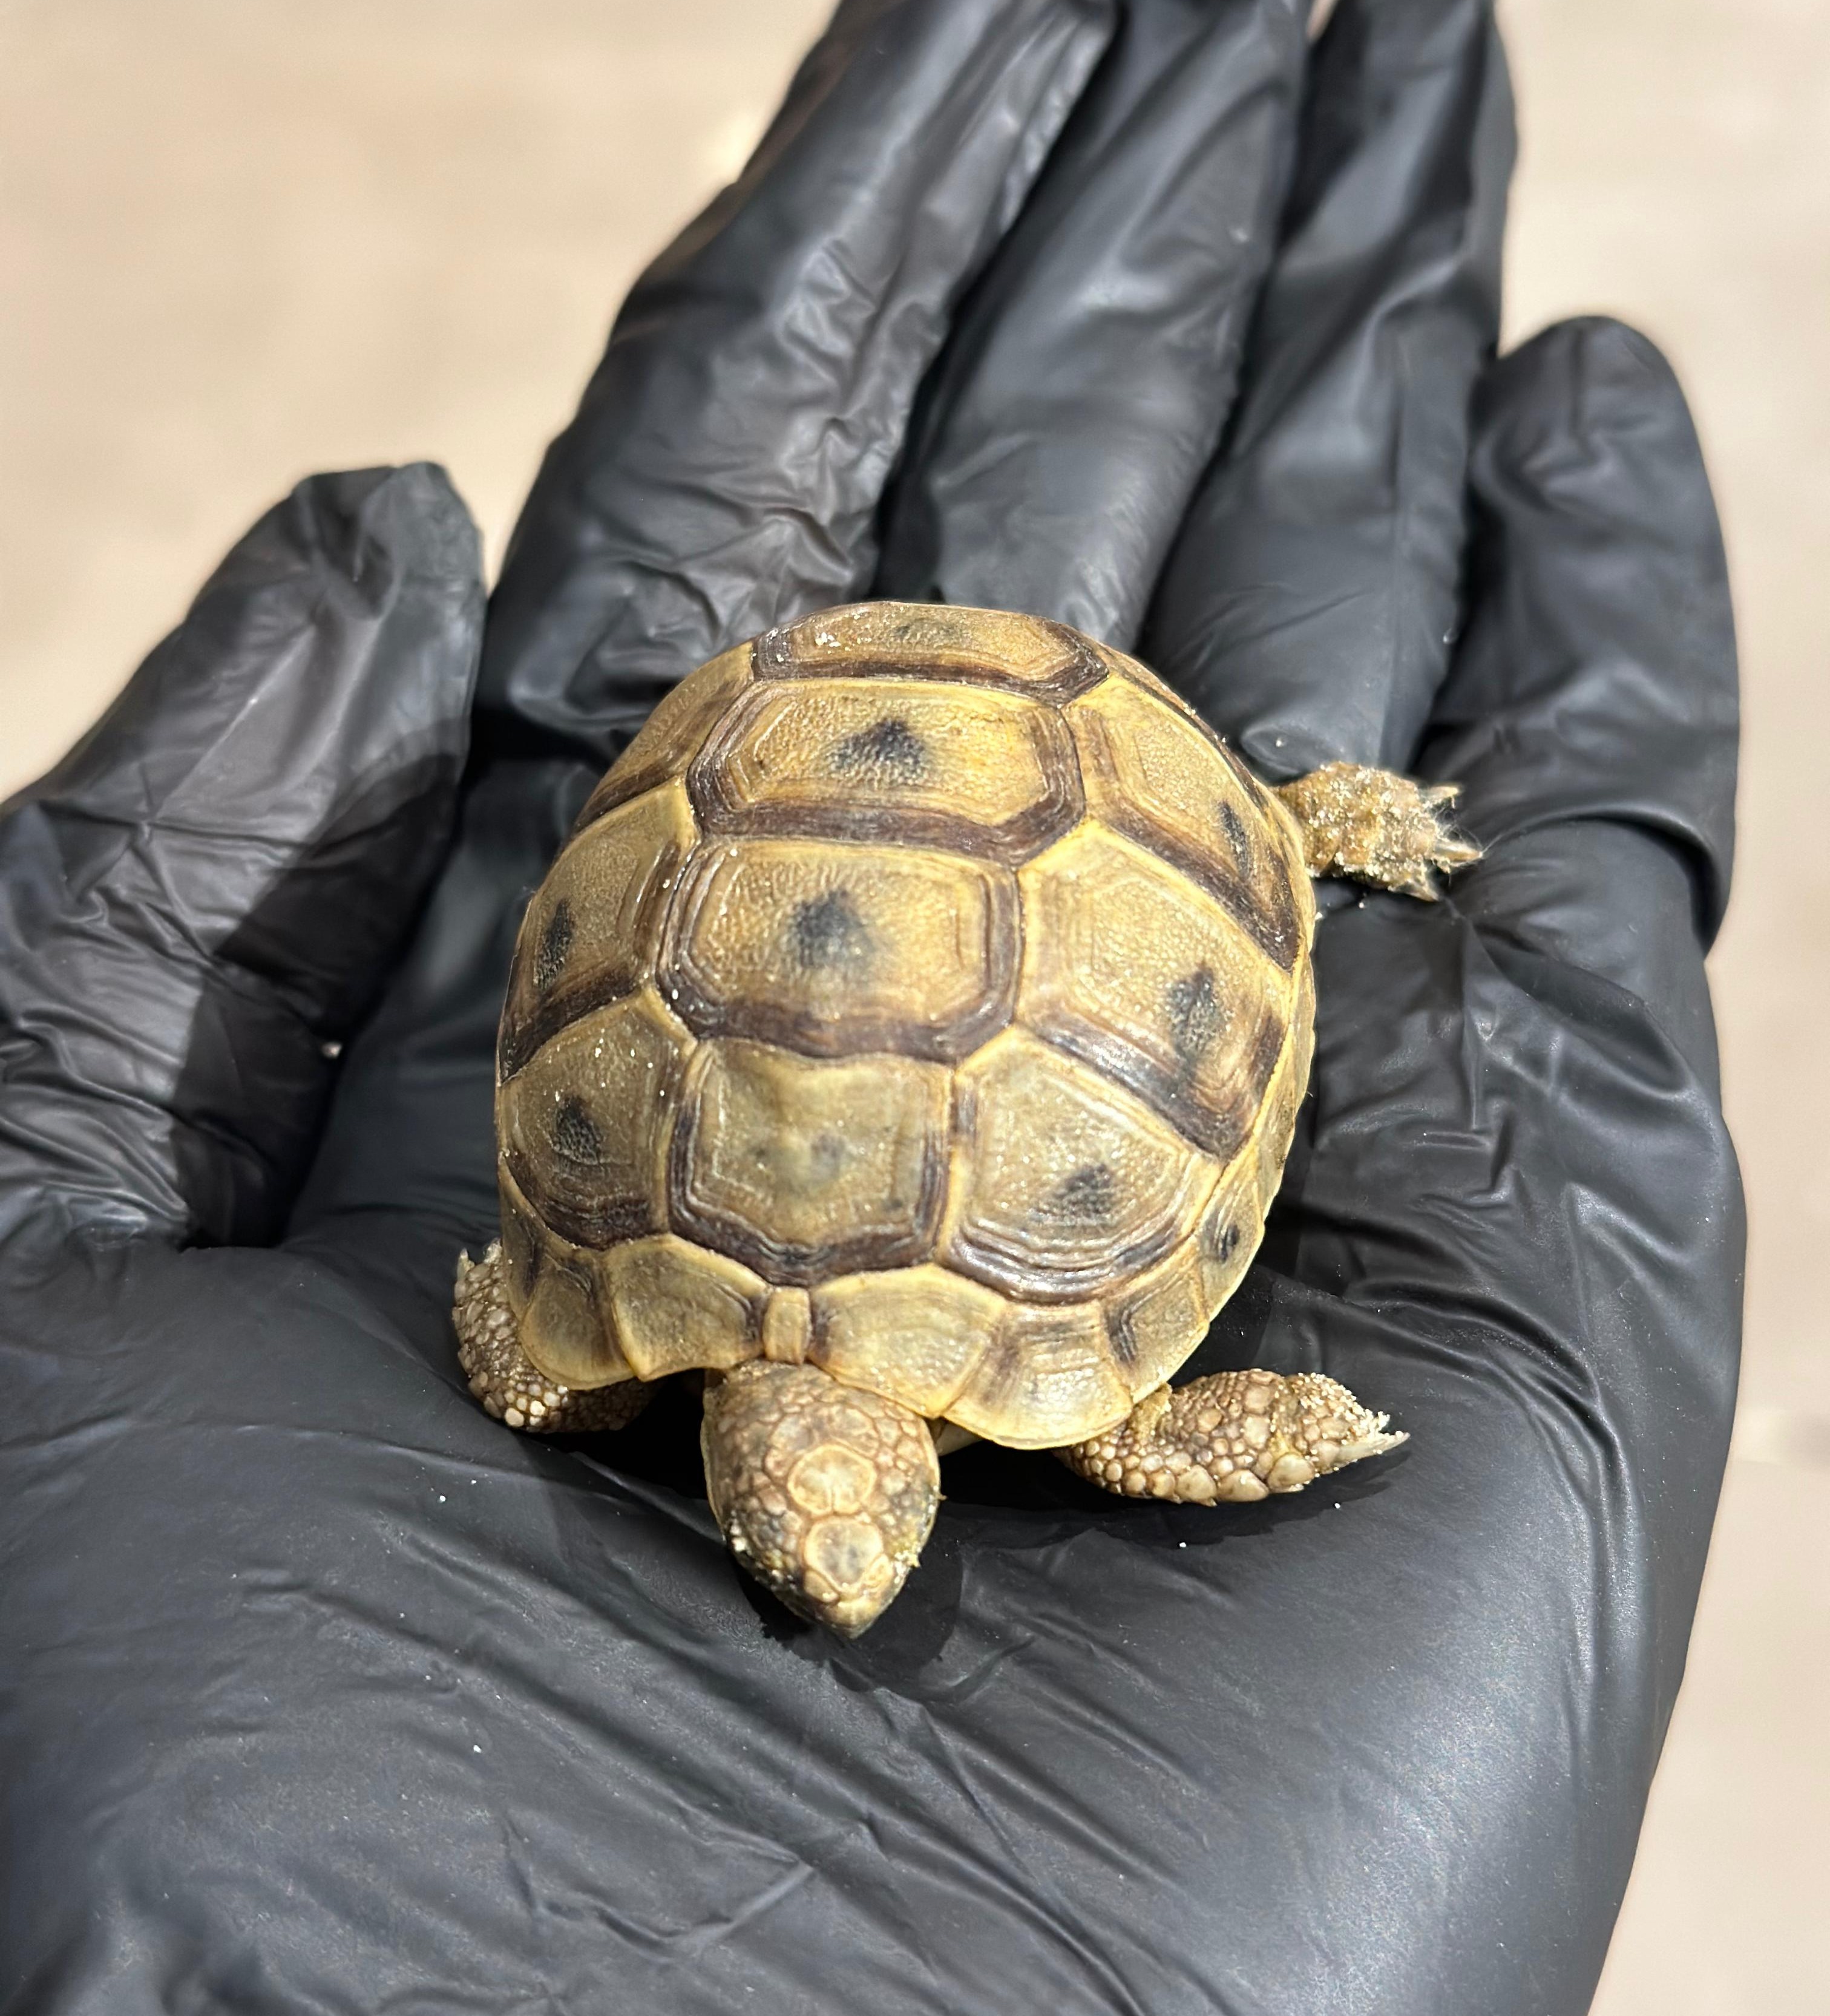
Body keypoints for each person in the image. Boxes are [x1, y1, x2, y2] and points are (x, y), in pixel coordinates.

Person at [0, 1, 1741, 2009]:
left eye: (824, 1532)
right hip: (851, 775)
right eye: (838, 1533)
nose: (843, 1568)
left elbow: (525, 1327)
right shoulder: (861, 1385)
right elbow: (582, 1337)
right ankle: (1265, 826)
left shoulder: (585, 1358)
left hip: (831, 758)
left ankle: (1276, 823)